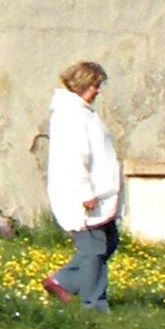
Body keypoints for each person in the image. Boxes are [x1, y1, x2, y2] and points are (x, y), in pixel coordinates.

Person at [42, 59, 122, 309]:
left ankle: (62, 282)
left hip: (99, 194)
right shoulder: (71, 115)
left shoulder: (82, 112)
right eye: (95, 85)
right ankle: (95, 306)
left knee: (108, 243)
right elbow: (76, 158)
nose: (98, 91)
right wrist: (86, 193)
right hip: (83, 196)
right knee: (93, 251)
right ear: (83, 84)